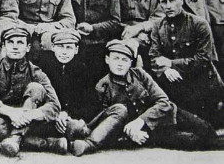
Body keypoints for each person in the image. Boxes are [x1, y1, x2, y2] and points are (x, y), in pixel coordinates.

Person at [70, 39, 218, 156]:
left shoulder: (140, 75)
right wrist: (130, 134)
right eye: (116, 58)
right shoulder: (102, 87)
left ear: (130, 63)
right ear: (107, 60)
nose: (120, 64)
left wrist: (140, 121)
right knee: (194, 142)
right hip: (151, 132)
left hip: (169, 114)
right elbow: (110, 122)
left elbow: (163, 101)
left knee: (208, 131)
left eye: (124, 60)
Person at [0, 26, 65, 157]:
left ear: (28, 47)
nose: (15, 46)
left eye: (20, 42)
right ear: (3, 46)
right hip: (3, 116)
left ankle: (15, 139)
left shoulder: (36, 72)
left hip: (28, 117)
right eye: (10, 42)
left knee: (36, 87)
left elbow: (54, 104)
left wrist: (29, 114)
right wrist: (11, 112)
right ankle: (49, 143)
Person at [149, 0, 224, 125]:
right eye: (163, 2)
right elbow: (154, 57)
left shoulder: (199, 24)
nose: (168, 5)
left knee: (208, 126)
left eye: (172, 0)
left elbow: (204, 59)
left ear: (181, 1)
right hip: (176, 86)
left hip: (203, 86)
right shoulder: (158, 26)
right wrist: (166, 69)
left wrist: (171, 63)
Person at [36, 31, 97, 141]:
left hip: (70, 117)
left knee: (76, 126)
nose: (64, 52)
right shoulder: (43, 68)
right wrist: (56, 114)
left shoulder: (83, 70)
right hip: (49, 116)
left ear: (76, 50)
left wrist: (68, 113)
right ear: (53, 47)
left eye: (69, 48)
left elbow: (90, 104)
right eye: (60, 47)